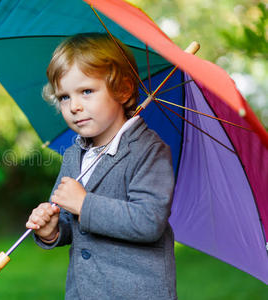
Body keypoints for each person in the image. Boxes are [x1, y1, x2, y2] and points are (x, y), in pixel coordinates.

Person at [25, 33, 177, 299]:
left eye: (86, 91)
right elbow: (70, 221)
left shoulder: (149, 151)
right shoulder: (74, 155)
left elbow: (149, 221)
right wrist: (53, 231)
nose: (74, 106)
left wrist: (85, 204)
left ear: (123, 90)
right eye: (64, 97)